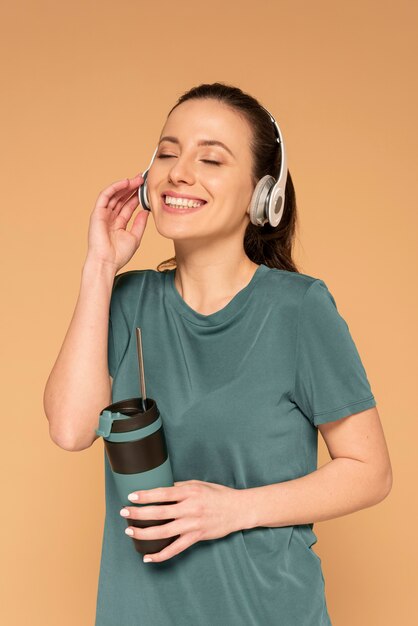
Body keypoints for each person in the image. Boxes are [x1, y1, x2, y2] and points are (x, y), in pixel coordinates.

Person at [43, 82, 393, 626]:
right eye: (166, 152)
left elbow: (370, 472)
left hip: (265, 611)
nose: (179, 171)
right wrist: (99, 268)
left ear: (263, 194)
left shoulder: (299, 309)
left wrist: (233, 509)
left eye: (210, 158)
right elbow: (70, 429)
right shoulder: (126, 300)